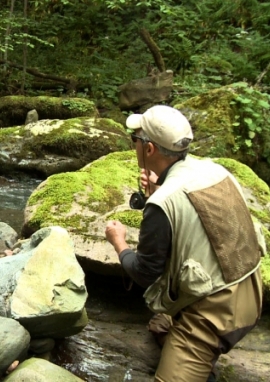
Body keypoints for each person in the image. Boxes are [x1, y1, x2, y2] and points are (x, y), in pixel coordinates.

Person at [105, 105, 264, 382]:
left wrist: (120, 244)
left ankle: (198, 347)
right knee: (160, 323)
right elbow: (204, 222)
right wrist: (160, 186)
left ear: (149, 149)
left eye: (135, 139)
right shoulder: (216, 171)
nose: (133, 145)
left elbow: (145, 272)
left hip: (218, 314)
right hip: (253, 291)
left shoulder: (162, 203)